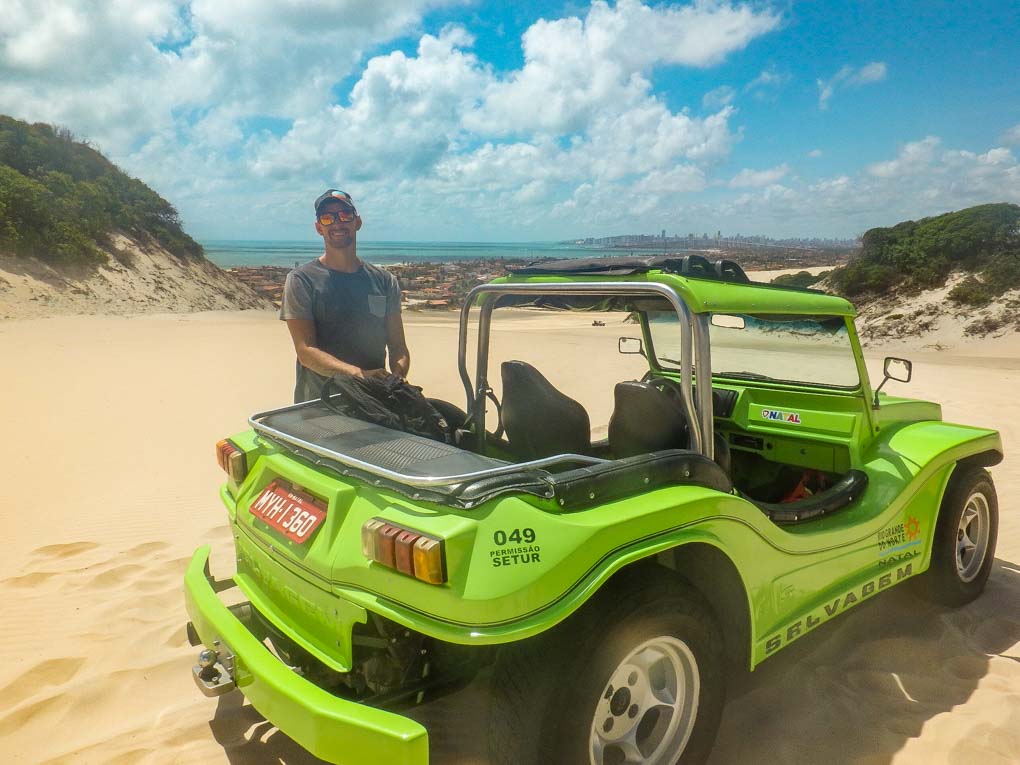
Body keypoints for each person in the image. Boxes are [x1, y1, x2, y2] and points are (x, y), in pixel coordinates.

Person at [280, 189, 410, 403]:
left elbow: (398, 346)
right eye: (327, 217)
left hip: (374, 401)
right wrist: (359, 375)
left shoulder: (385, 281)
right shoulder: (301, 280)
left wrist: (397, 378)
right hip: (319, 407)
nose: (337, 223)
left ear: (357, 222)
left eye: (344, 215)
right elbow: (306, 352)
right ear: (318, 228)